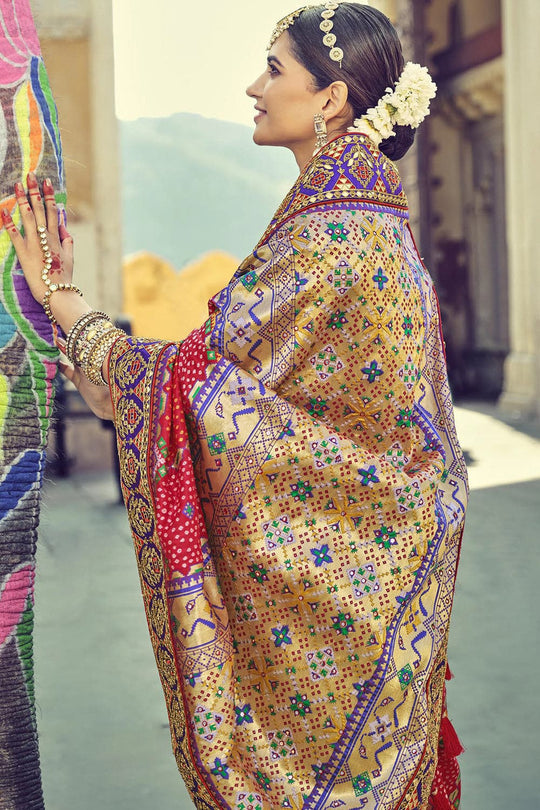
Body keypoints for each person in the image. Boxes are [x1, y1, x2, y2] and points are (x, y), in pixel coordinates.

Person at [3, 3, 468, 808]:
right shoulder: (373, 225)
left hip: (347, 624)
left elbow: (188, 386)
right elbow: (196, 398)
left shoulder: (335, 239)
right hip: (389, 602)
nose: (254, 86)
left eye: (275, 68)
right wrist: (92, 347)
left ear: (331, 100)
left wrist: (63, 298)